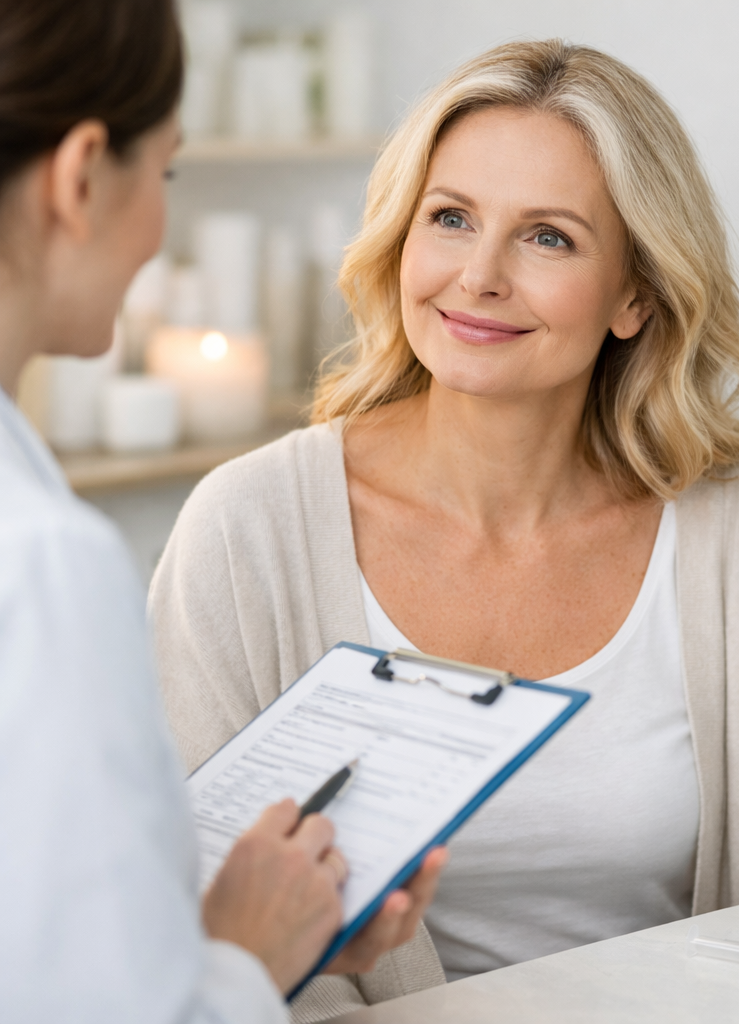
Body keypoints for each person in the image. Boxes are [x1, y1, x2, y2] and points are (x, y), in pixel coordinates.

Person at [150, 38, 739, 995]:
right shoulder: (247, 530)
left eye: (548, 236)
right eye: (452, 218)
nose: (479, 276)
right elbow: (186, 914)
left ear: (636, 292)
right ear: (400, 239)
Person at [0, 2, 444, 1022]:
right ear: (78, 178)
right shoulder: (42, 560)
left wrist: (253, 936)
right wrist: (244, 953)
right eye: (164, 175)